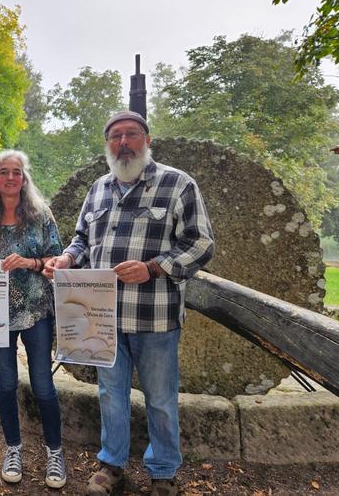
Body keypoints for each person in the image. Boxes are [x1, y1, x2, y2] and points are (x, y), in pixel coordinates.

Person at [44, 111, 214, 496]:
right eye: (115, 136)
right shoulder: (99, 189)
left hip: (154, 317)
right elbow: (82, 240)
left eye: (131, 134)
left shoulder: (177, 185)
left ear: (147, 140)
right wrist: (67, 259)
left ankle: (164, 471)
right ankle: (112, 464)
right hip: (102, 317)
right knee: (111, 394)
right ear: (108, 146)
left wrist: (154, 267)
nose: (123, 142)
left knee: (160, 398)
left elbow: (202, 244)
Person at [0, 149, 67, 488]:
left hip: (37, 310)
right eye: (3, 172)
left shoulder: (41, 215)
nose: (10, 178)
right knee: (5, 383)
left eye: (16, 172)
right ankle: (13, 448)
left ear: (24, 178)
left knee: (42, 384)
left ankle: (54, 452)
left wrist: (30, 263)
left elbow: (59, 260)